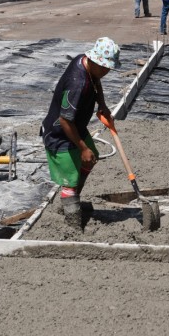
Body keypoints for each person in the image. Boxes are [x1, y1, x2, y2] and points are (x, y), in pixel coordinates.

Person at [41, 37, 119, 231]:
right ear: (93, 62)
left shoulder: (85, 61)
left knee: (91, 158)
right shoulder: (77, 82)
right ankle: (73, 227)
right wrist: (82, 148)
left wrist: (101, 104)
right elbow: (65, 120)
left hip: (77, 126)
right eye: (105, 68)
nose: (107, 72)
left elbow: (96, 81)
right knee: (70, 179)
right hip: (60, 133)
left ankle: (73, 196)